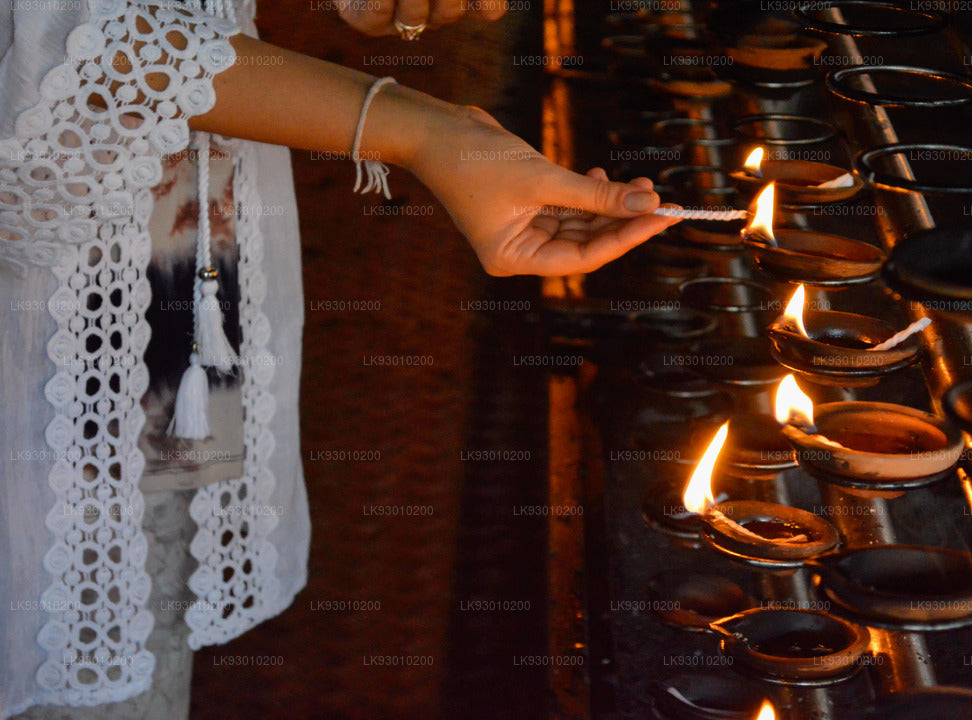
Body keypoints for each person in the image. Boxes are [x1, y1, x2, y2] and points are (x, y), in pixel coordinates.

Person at [0, 1, 680, 717]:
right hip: (58, 319)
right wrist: (423, 132)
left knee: (146, 606)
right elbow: (68, 51)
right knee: (72, 636)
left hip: (183, 269)